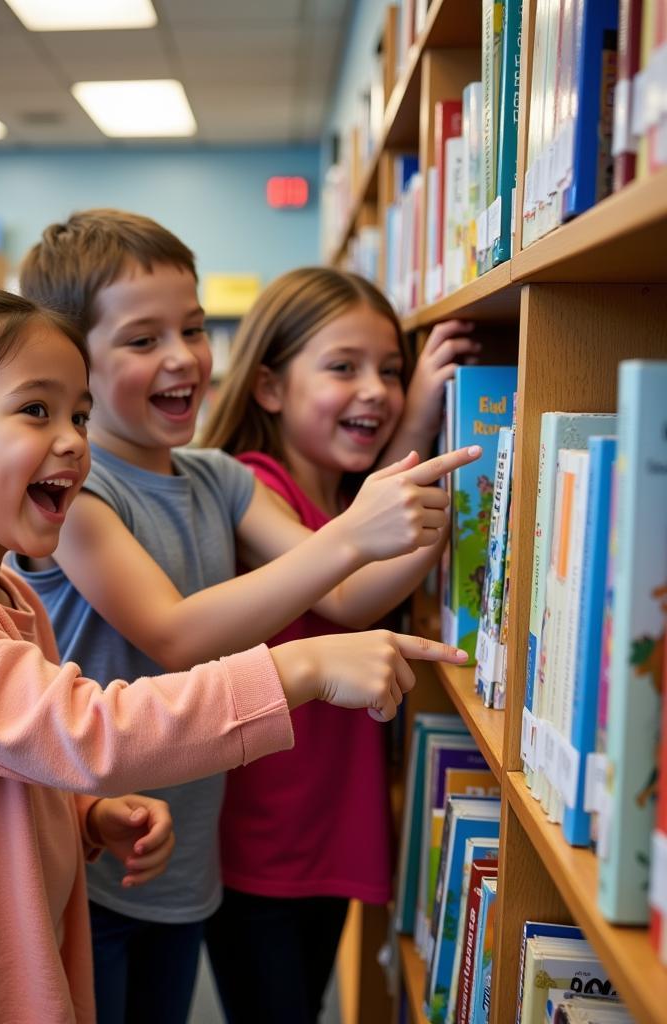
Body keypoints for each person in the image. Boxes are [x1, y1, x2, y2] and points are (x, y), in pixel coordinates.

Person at [0, 283, 467, 1024]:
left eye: (78, 414)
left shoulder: (3, 596)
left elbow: (7, 750)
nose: (72, 440)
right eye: (36, 410)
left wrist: (84, 815)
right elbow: (85, 730)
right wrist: (298, 669)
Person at [16, 210, 480, 1023]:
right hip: (88, 856)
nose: (182, 358)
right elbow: (177, 631)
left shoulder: (219, 478)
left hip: (188, 860)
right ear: (71, 363)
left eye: (192, 329)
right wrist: (350, 537)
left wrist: (442, 520)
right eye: (142, 340)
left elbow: (339, 598)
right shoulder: (80, 499)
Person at [199, 266, 477, 1023]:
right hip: (266, 839)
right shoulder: (256, 486)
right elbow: (352, 593)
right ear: (268, 388)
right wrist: (461, 489)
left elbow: (362, 534)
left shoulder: (343, 500)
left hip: (329, 824)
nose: (377, 391)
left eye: (390, 371)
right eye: (343, 367)